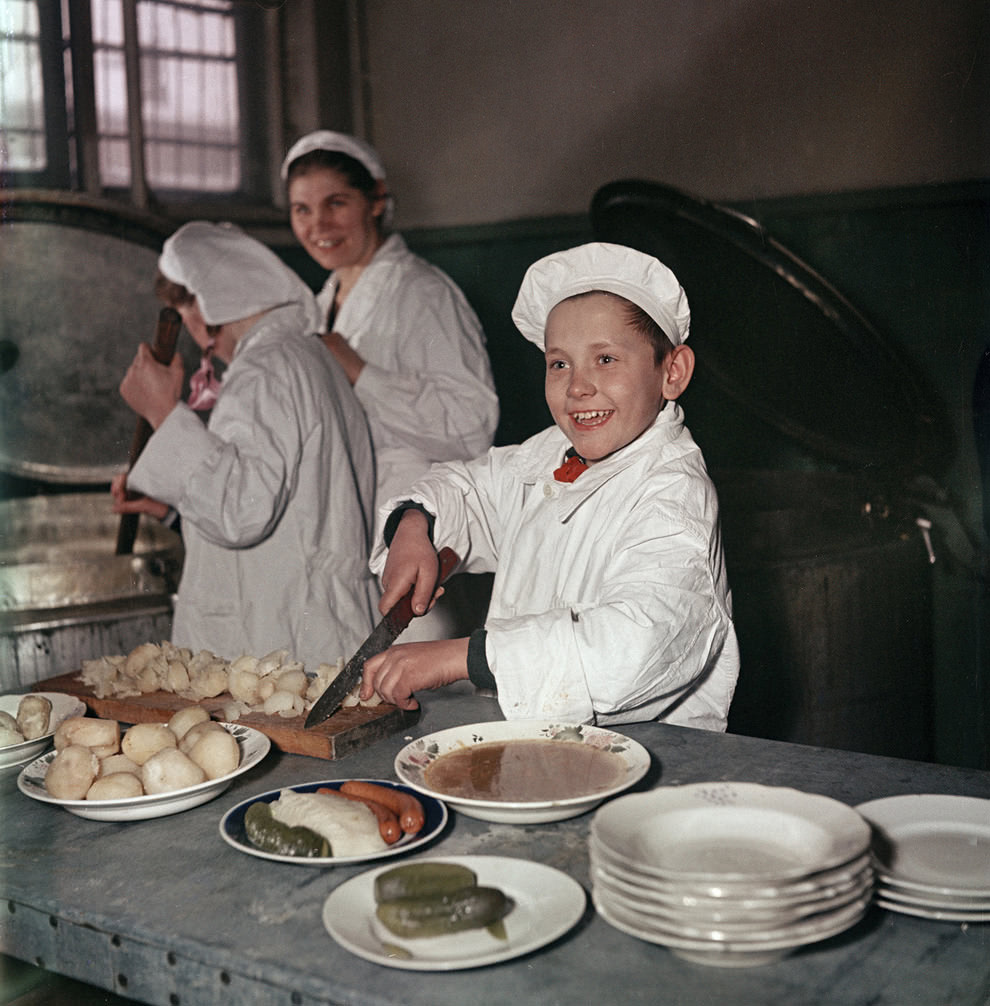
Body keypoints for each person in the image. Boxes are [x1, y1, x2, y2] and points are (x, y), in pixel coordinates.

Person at [359, 242, 740, 730]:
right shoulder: (549, 455)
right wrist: (416, 524)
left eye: (605, 359)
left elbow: (636, 646)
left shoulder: (672, 493)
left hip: (648, 762)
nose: (578, 386)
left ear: (673, 372)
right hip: (541, 748)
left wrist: (467, 657)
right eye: (560, 363)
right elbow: (472, 488)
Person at [111, 220, 378, 671]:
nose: (197, 333)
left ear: (211, 300)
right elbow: (285, 508)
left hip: (283, 643)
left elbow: (242, 510)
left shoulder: (266, 368)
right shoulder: (303, 356)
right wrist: (172, 510)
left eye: (187, 308)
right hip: (317, 627)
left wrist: (162, 412)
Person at [281, 130, 500, 640]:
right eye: (302, 210)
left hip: (418, 540)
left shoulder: (423, 293)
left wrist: (359, 369)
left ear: (376, 200)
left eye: (336, 203)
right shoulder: (321, 302)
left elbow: (472, 425)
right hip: (347, 540)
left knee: (428, 700)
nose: (319, 225)